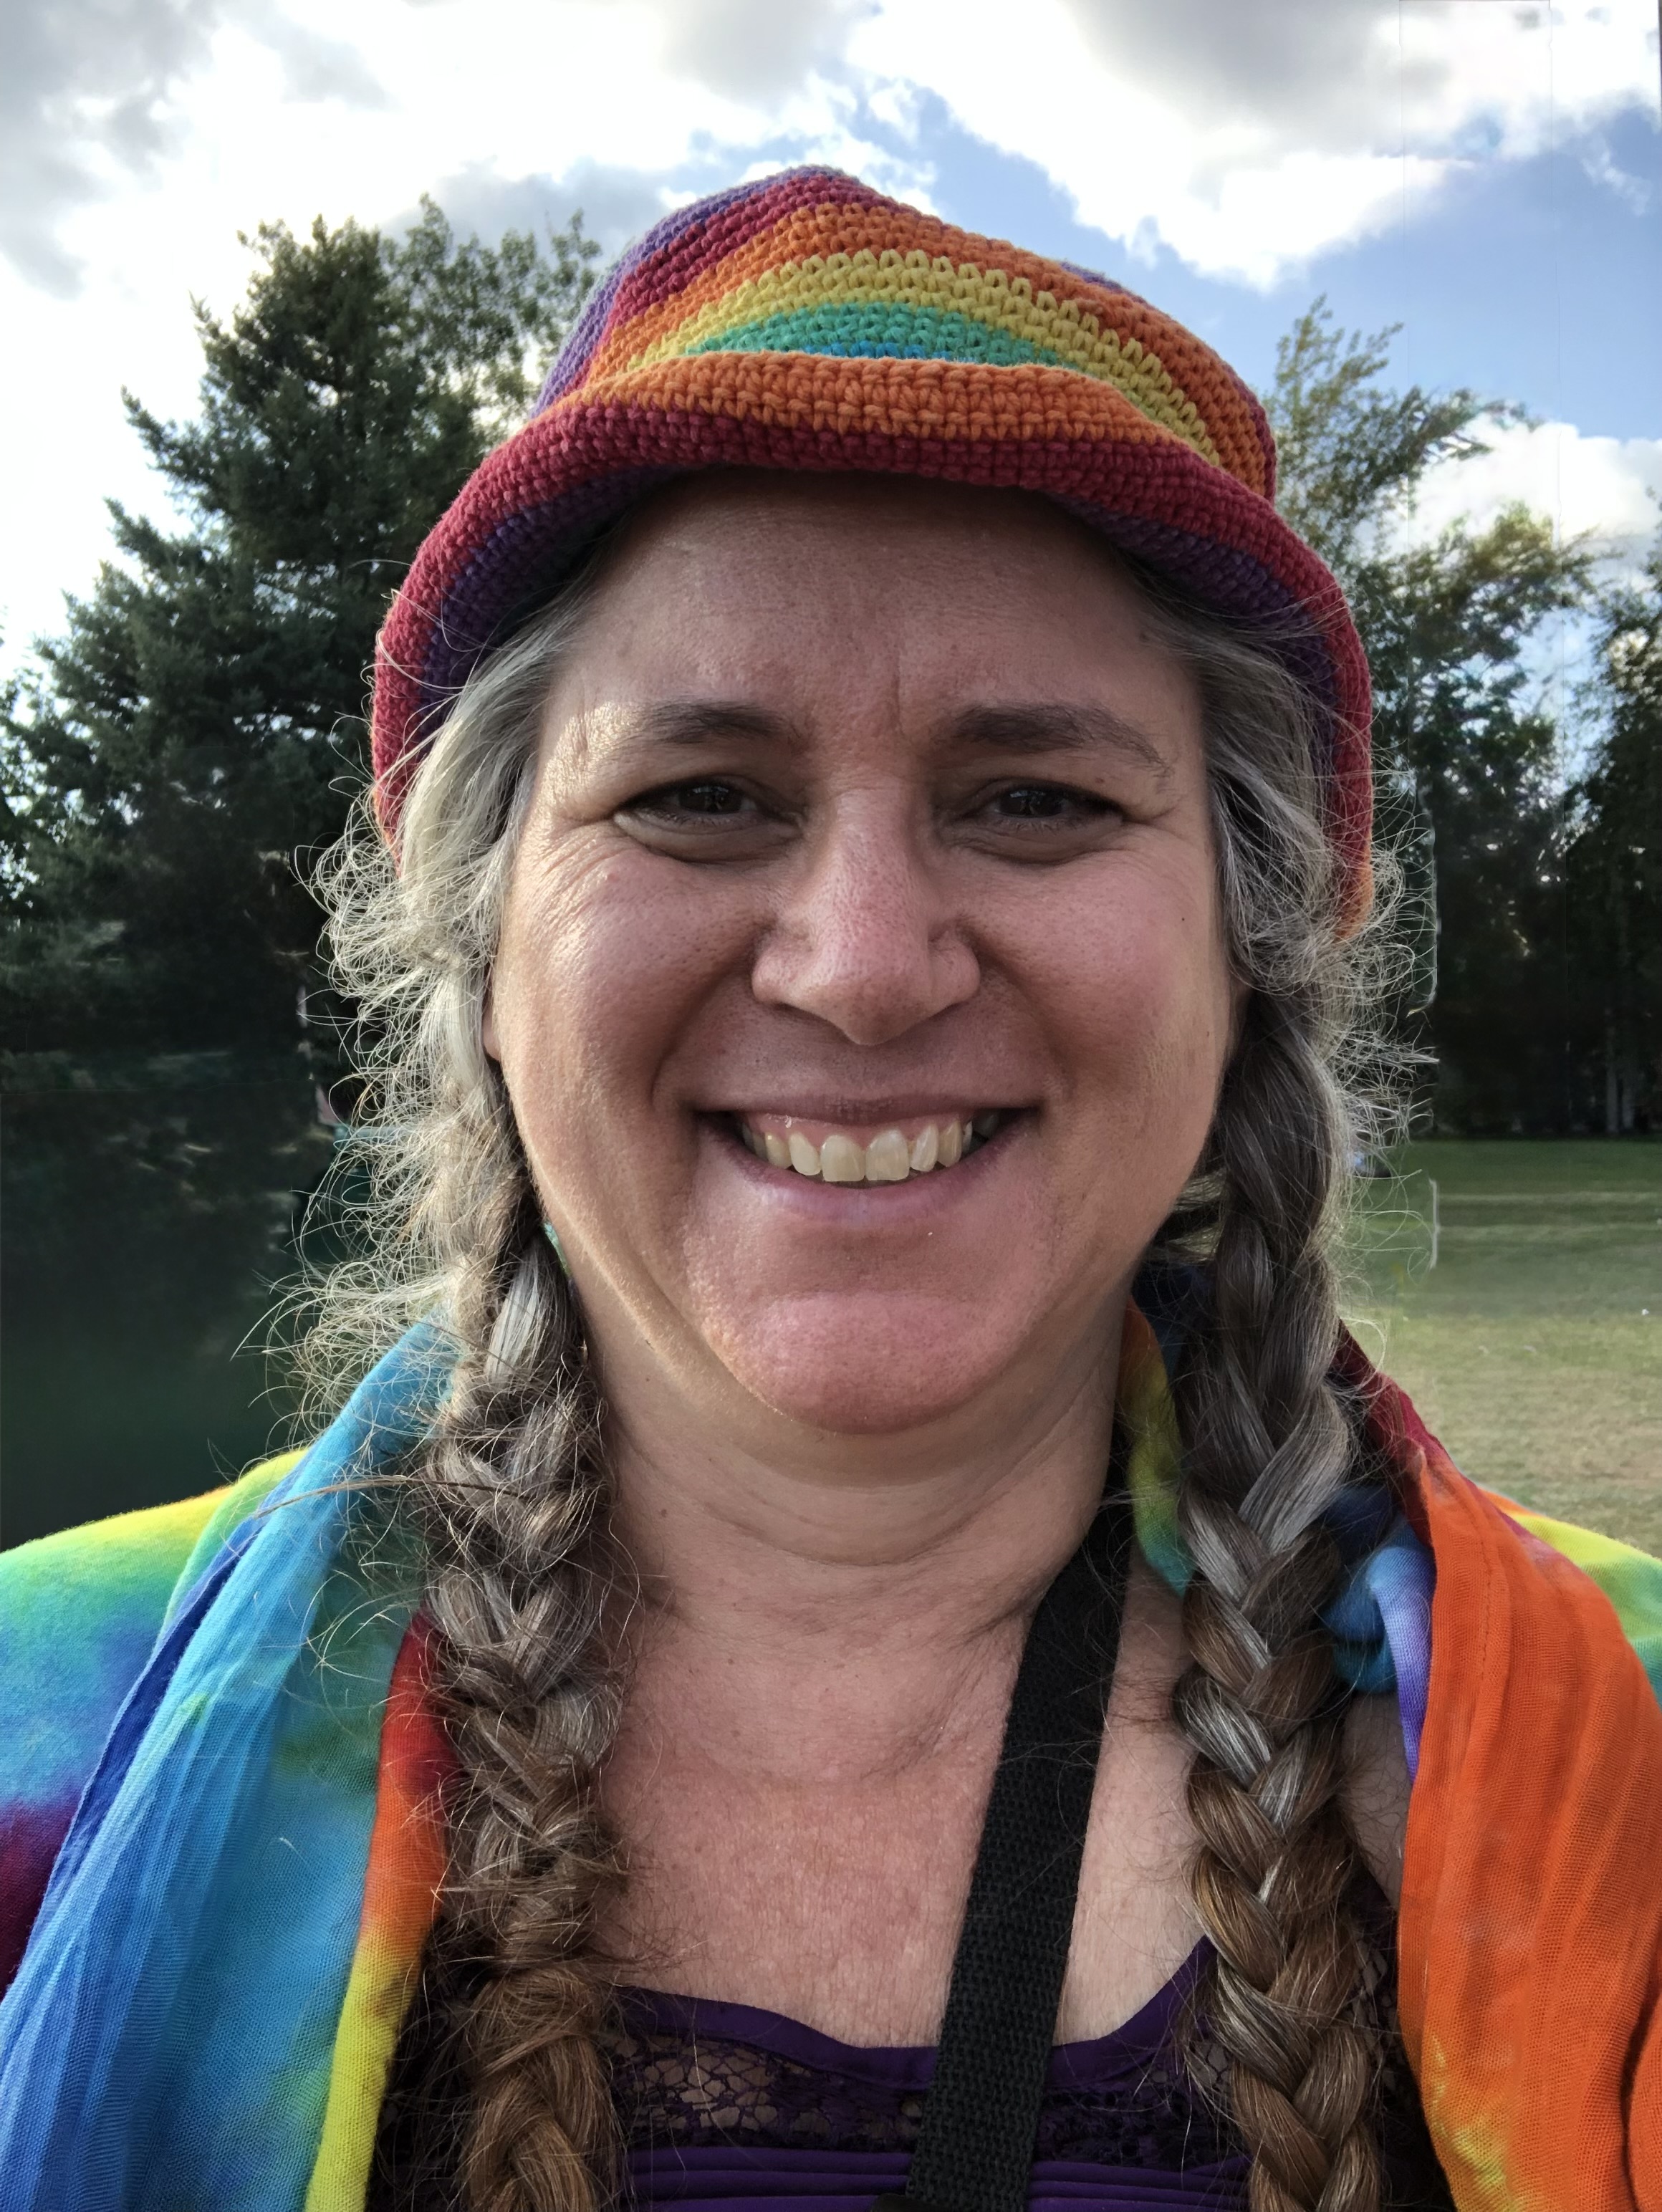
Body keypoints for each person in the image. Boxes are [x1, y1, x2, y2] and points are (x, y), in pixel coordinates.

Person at [0, 167, 1658, 2212]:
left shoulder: (1623, 1756)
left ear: (1246, 960)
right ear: (485, 952)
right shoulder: (32, 1749)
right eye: (699, 800)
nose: (866, 964)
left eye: (1036, 800)